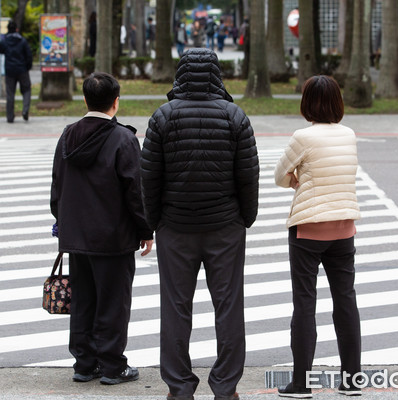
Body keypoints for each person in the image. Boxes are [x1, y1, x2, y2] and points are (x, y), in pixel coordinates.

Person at [141, 48, 259, 400]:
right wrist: (245, 219)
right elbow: (247, 176)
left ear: (179, 75)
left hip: (175, 227)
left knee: (176, 308)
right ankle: (225, 387)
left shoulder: (163, 117)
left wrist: (154, 222)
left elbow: (149, 178)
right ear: (217, 75)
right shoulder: (234, 116)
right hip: (225, 227)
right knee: (228, 307)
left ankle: (179, 387)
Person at [50, 72, 153, 386]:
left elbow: (57, 189)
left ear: (84, 99)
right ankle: (112, 365)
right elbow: (135, 191)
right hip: (113, 238)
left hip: (76, 237)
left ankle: (84, 364)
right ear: (116, 101)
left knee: (83, 300)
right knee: (112, 301)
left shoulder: (68, 135)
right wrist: (146, 230)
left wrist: (65, 222)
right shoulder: (123, 139)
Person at [273, 75, 362, 398]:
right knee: (346, 302)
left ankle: (301, 383)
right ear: (338, 103)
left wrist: (297, 180)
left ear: (306, 103)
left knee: (305, 304)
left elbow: (279, 176)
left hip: (308, 229)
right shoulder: (349, 135)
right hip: (343, 228)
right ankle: (352, 381)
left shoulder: (303, 136)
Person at [0, 20, 32, 123]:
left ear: (8, 29)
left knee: (10, 93)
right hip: (22, 70)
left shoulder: (4, 41)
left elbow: (0, 50)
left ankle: (10, 117)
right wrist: (27, 67)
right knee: (26, 90)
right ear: (17, 29)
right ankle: (25, 110)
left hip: (9, 71)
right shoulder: (22, 41)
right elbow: (29, 55)